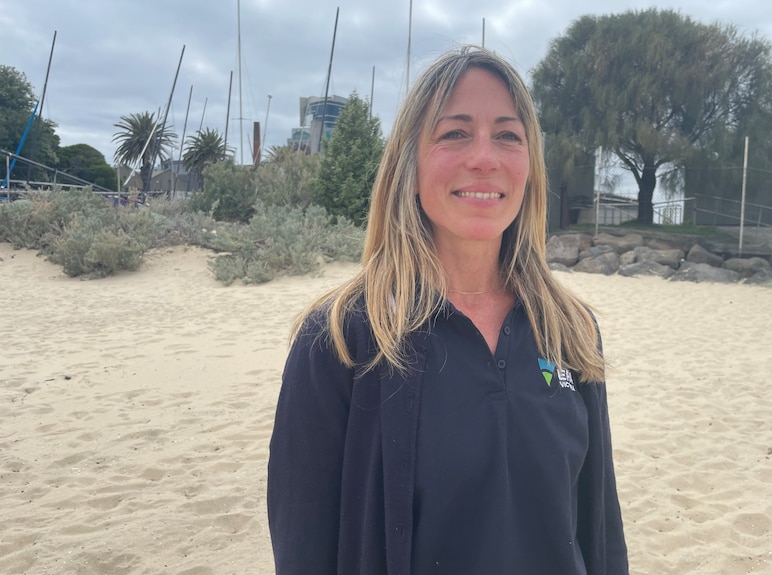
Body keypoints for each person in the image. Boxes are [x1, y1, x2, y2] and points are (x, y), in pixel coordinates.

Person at [268, 45, 628, 575]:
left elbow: (599, 529)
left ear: (529, 166)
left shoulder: (570, 330)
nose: (484, 156)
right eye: (454, 132)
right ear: (409, 164)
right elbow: (303, 547)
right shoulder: (341, 338)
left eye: (508, 135)